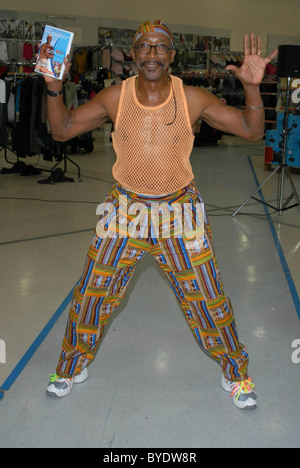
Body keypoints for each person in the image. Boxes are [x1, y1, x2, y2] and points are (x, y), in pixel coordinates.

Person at [45, 20, 277, 409]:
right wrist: (53, 88)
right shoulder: (115, 97)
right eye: (144, 47)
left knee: (207, 296)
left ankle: (235, 373)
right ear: (133, 54)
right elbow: (63, 130)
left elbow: (251, 131)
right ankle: (70, 366)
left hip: (180, 210)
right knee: (90, 293)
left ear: (172, 54)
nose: (152, 54)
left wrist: (252, 88)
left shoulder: (193, 98)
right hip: (124, 208)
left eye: (160, 47)